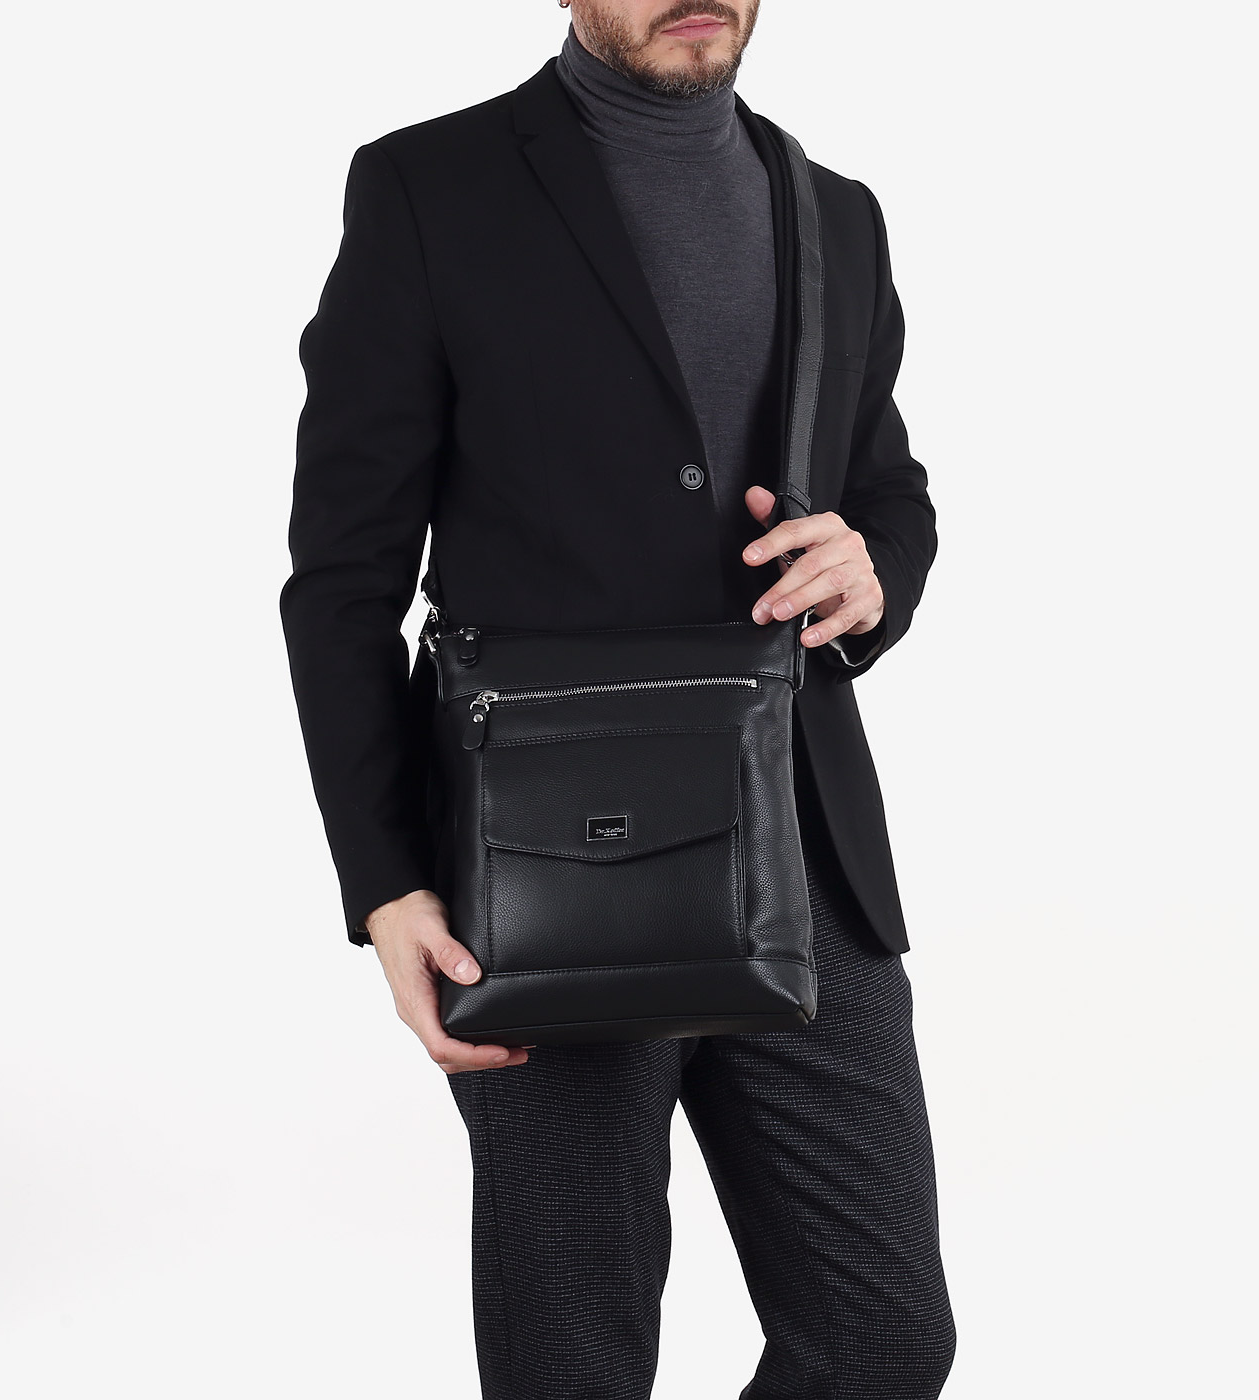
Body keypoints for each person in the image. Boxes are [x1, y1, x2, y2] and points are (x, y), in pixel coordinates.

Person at [279, 3, 956, 1395]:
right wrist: (386, 883)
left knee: (881, 1339)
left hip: (800, 843)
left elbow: (887, 486)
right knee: (573, 1362)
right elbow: (342, 580)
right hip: (544, 859)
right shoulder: (429, 187)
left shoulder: (838, 212)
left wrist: (874, 565)